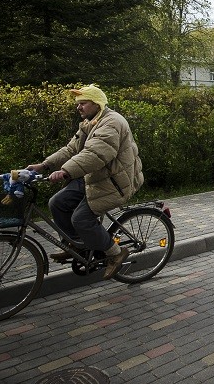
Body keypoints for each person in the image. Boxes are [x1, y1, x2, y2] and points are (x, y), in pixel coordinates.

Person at [26, 85, 143, 280]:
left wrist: (65, 171)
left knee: (80, 219)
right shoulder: (90, 123)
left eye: (83, 103)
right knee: (57, 203)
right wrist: (44, 165)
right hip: (94, 178)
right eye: (78, 104)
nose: (79, 108)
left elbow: (95, 154)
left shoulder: (111, 122)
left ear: (97, 104)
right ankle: (77, 244)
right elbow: (71, 150)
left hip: (114, 182)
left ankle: (115, 253)